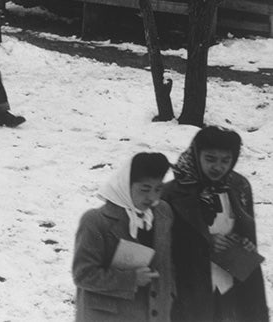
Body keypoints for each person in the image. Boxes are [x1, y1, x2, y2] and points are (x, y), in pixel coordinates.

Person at [162, 126, 268, 322]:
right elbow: (163, 247)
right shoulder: (172, 193)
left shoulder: (239, 186)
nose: (218, 167)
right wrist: (205, 244)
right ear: (196, 154)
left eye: (225, 160)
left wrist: (245, 244)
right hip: (190, 288)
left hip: (231, 283)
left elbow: (246, 230)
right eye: (210, 159)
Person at [72, 152, 175, 322]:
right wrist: (130, 279)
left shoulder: (162, 213)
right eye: (145, 189)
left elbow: (166, 263)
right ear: (126, 185)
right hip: (106, 316)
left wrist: (169, 295)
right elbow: (83, 275)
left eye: (158, 189)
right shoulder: (96, 221)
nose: (152, 197)